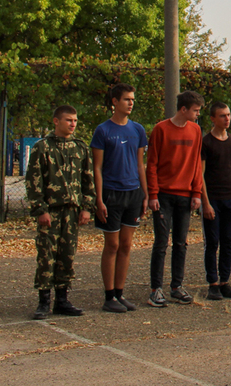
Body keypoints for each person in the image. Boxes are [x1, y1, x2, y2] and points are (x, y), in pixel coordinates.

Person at [26, 105, 95, 319]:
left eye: (75, 120)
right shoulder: (42, 147)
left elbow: (88, 180)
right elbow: (34, 181)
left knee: (67, 255)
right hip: (51, 211)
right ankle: (43, 301)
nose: (72, 124)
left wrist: (86, 208)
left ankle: (62, 300)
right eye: (68, 120)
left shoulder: (80, 148)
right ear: (56, 121)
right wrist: (40, 210)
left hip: (72, 211)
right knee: (46, 255)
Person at [91, 83, 148, 313]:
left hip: (133, 193)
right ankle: (108, 296)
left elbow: (140, 164)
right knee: (112, 245)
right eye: (126, 99)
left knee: (126, 245)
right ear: (114, 101)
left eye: (133, 99)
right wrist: (99, 199)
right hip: (111, 194)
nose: (131, 103)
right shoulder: (102, 131)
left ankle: (120, 293)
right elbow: (97, 167)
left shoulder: (138, 130)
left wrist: (145, 194)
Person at [146, 90, 205, 307]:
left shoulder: (196, 130)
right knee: (161, 242)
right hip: (163, 194)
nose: (198, 115)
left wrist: (196, 192)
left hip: (185, 195)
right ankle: (156, 289)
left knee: (181, 243)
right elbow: (151, 163)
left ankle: (176, 286)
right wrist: (153, 194)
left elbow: (197, 162)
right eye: (195, 110)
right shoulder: (161, 129)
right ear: (183, 109)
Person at [200, 102, 231, 301]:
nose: (227, 119)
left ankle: (225, 281)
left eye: (228, 115)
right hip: (213, 199)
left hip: (230, 199)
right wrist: (205, 203)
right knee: (212, 242)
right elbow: (199, 174)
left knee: (227, 241)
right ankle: (213, 283)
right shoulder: (205, 142)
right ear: (212, 118)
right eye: (222, 116)